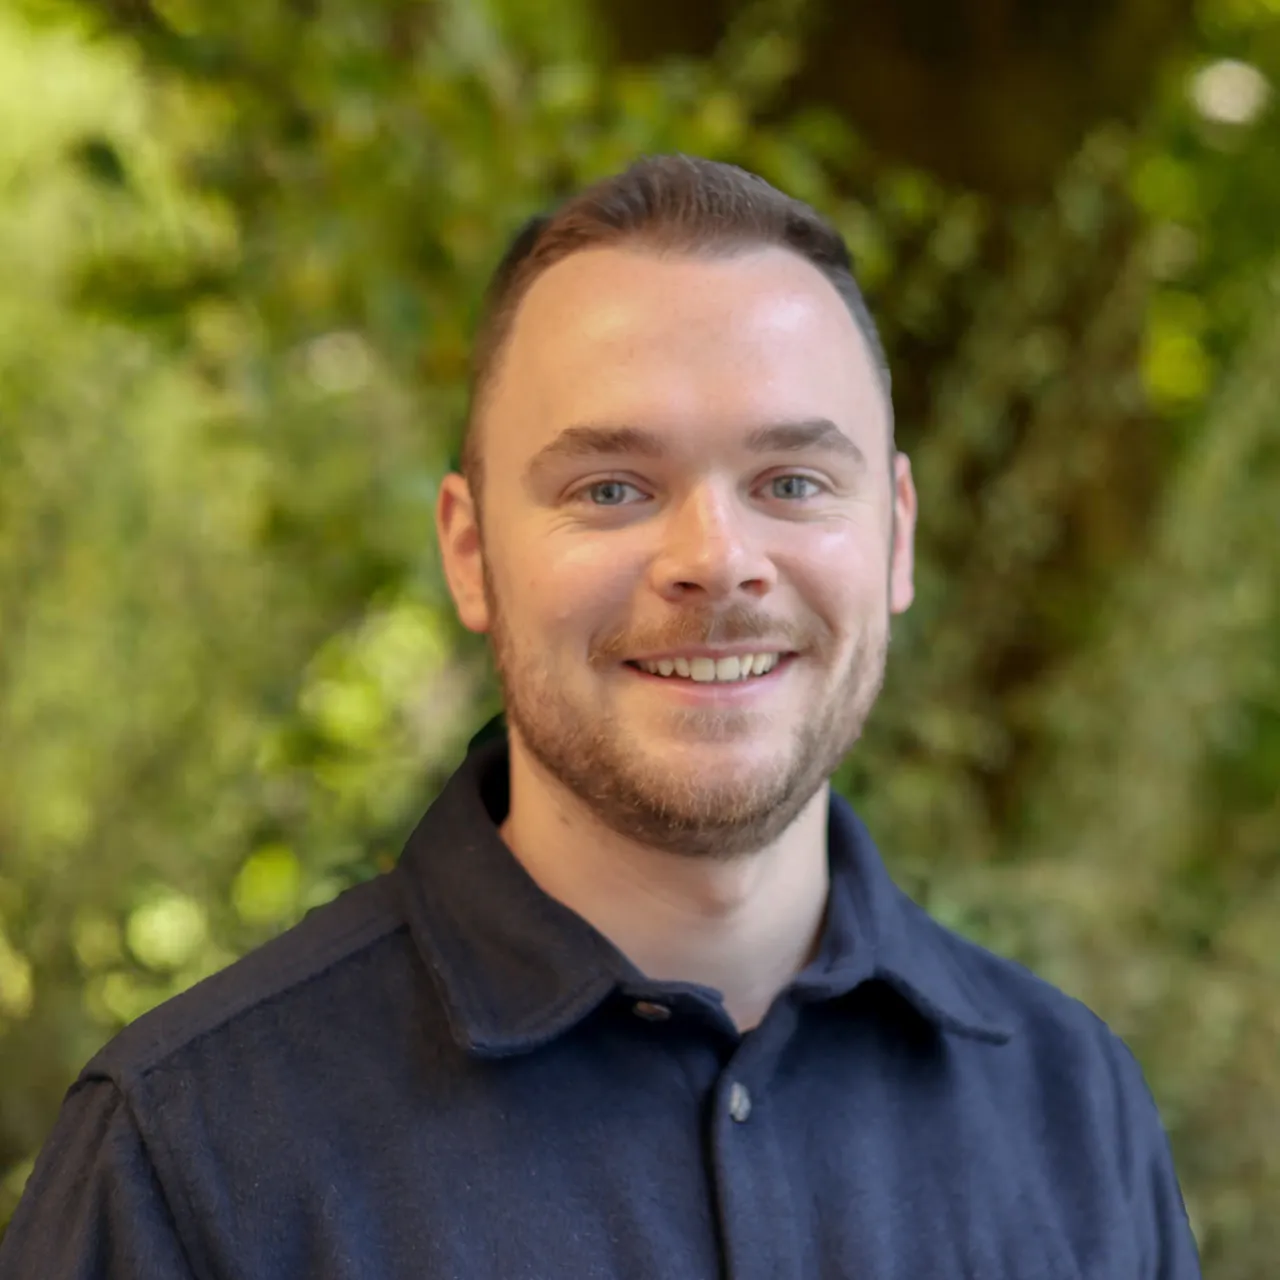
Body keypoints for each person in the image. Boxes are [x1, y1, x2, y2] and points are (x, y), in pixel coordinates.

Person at [0, 154, 1201, 1278]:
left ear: (895, 532)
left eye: (790, 481)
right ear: (470, 555)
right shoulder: (190, 1158)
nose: (716, 559)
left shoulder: (1070, 1109)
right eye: (611, 488)